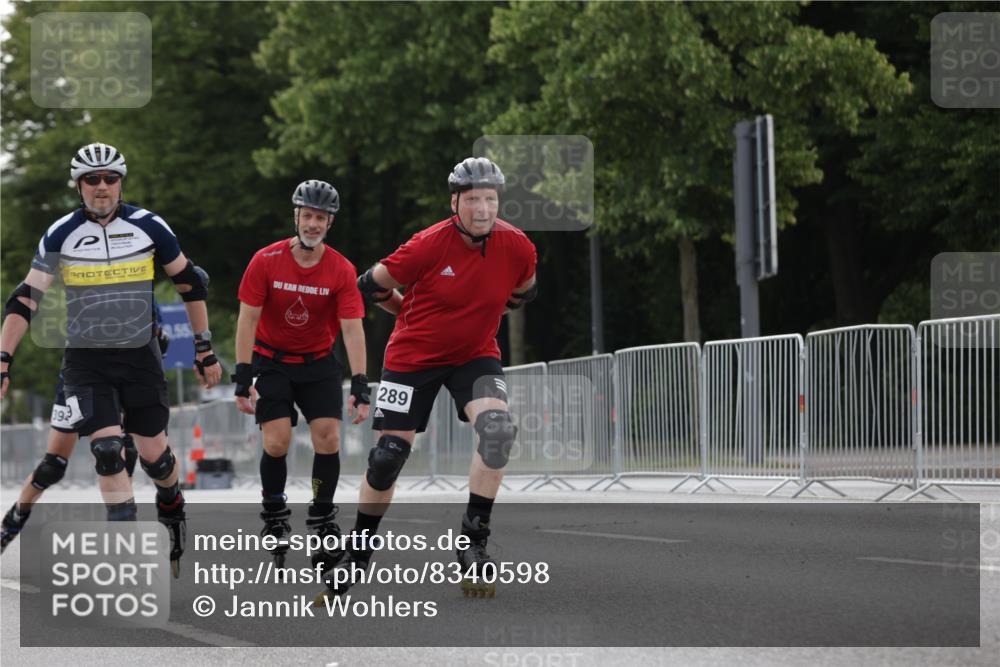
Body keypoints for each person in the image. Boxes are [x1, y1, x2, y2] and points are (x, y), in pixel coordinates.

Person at [0, 143, 222, 574]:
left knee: (157, 458)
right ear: (78, 185)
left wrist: (205, 348)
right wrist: (3, 358)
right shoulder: (61, 232)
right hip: (86, 360)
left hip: (139, 357)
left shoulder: (149, 226)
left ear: (121, 182)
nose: (101, 187)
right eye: (91, 179)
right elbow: (25, 298)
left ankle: (171, 503)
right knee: (106, 451)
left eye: (110, 178)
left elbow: (190, 285)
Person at [325, 157, 537, 598]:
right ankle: (359, 552)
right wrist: (408, 312)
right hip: (412, 357)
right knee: (387, 457)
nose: (483, 209)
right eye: (473, 199)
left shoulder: (518, 247)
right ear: (455, 201)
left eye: (491, 199)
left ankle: (473, 542)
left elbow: (520, 293)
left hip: (474, 356)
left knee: (498, 431)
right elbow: (372, 285)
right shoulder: (427, 244)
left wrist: (477, 319)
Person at [233, 179, 370, 569]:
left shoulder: (341, 269)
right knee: (276, 442)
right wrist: (243, 376)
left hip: (318, 362)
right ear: (296, 217)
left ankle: (323, 517)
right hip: (272, 361)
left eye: (321, 218)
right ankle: (274, 511)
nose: (313, 224)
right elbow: (248, 319)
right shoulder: (266, 260)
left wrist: (360, 384)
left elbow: (352, 327)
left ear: (330, 223)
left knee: (328, 438)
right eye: (307, 216)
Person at [0, 305, 171, 553]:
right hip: (81, 379)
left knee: (119, 452)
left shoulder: (149, 311)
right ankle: (11, 523)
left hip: (128, 379)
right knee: (52, 466)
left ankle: (122, 536)